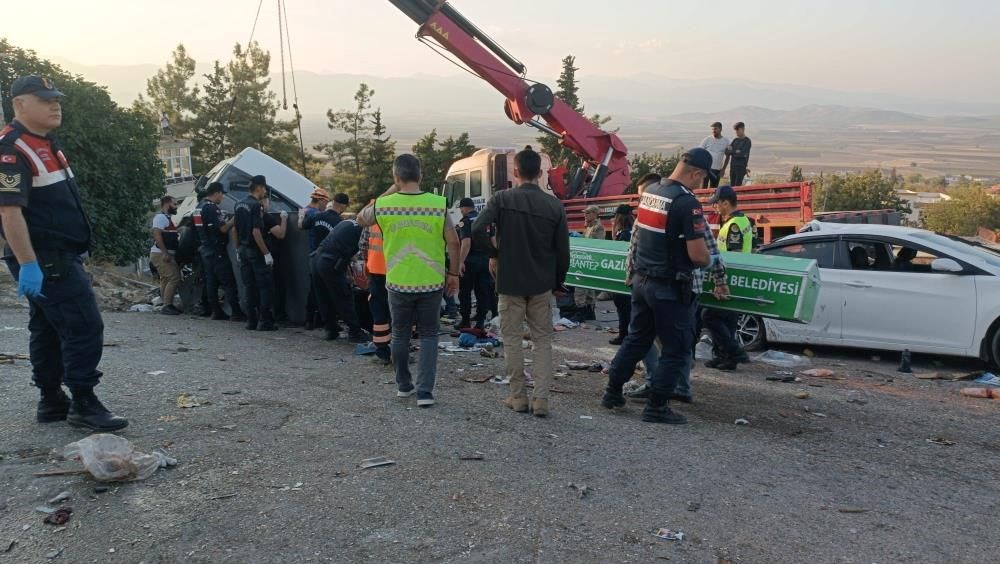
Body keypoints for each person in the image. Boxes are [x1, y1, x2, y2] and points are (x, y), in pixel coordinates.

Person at [0, 75, 128, 431]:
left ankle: (52, 400)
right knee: (84, 325)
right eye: (44, 99)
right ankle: (84, 402)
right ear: (20, 105)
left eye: (56, 98)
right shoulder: (12, 149)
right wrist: (28, 264)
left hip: (54, 255)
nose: (55, 104)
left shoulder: (44, 143)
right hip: (46, 256)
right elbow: (8, 211)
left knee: (47, 327)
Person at [601, 148, 729, 424]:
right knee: (678, 348)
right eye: (702, 179)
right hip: (669, 288)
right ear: (696, 173)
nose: (701, 184)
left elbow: (634, 241)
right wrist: (715, 270)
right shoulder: (686, 203)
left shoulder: (651, 192)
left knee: (636, 340)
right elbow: (698, 254)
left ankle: (612, 393)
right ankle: (657, 407)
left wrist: (630, 273)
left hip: (642, 282)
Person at [473, 147, 570, 418]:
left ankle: (518, 397)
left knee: (512, 340)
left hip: (509, 281)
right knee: (542, 342)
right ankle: (541, 401)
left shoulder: (502, 199)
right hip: (541, 284)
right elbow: (563, 252)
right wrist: (557, 281)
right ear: (540, 173)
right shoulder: (554, 206)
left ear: (516, 172)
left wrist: (495, 253)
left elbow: (477, 229)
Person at [358, 154, 461, 408]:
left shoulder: (384, 206)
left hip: (398, 282)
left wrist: (392, 189)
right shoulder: (438, 204)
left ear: (397, 177)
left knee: (400, 335)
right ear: (421, 176)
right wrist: (454, 274)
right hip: (431, 283)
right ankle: (425, 392)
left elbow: (361, 217)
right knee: (428, 336)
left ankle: (404, 385)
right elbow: (454, 242)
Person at [702, 185, 752, 370]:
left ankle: (734, 351)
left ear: (725, 202)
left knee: (709, 316)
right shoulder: (741, 220)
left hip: (729, 278)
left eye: (717, 203)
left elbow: (733, 254)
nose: (715, 207)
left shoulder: (734, 226)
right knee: (728, 320)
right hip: (732, 277)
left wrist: (720, 281)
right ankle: (724, 356)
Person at [193, 182, 245, 321]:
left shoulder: (199, 207)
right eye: (222, 194)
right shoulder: (211, 208)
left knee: (211, 282)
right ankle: (236, 312)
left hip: (206, 250)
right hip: (217, 250)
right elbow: (222, 229)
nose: (222, 198)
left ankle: (216, 311)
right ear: (216, 193)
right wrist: (233, 220)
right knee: (228, 282)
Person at [312, 218, 368, 343]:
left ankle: (331, 329)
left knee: (324, 297)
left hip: (317, 258)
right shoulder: (364, 229)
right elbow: (363, 250)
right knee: (343, 297)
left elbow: (344, 246)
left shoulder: (346, 222)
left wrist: (351, 265)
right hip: (331, 262)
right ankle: (355, 332)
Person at [234, 175, 276, 331]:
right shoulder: (255, 206)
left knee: (249, 287)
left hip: (243, 251)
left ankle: (251, 321)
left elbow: (235, 229)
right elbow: (256, 232)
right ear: (259, 187)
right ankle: (265, 321)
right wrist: (266, 253)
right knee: (264, 287)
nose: (265, 191)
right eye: (264, 188)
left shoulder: (239, 204)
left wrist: (238, 248)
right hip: (255, 251)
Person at [455, 197, 493, 330]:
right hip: (485, 260)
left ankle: (465, 321)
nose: (460, 211)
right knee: (483, 291)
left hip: (470, 262)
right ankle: (480, 322)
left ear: (464, 208)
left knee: (465, 292)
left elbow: (466, 243)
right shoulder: (485, 220)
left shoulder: (465, 222)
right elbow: (493, 240)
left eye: (460, 209)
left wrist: (460, 262)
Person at [608, 198, 640, 346]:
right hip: (628, 275)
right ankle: (624, 333)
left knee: (623, 306)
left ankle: (624, 334)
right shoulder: (629, 232)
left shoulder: (625, 234)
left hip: (624, 276)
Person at [360, 222, 391, 364]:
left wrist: (368, 262)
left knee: (379, 308)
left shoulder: (373, 214)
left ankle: (382, 349)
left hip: (376, 269)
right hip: (399, 270)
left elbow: (363, 244)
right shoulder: (402, 210)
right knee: (400, 309)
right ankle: (400, 348)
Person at [571, 204, 605, 322]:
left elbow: (599, 244)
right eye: (585, 213)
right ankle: (588, 313)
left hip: (590, 261)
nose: (585, 215)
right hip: (586, 260)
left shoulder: (598, 227)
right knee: (588, 288)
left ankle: (582, 312)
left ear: (595, 214)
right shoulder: (589, 227)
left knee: (581, 287)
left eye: (588, 213)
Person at [149, 195, 182, 315]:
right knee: (174, 277)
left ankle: (165, 303)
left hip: (160, 253)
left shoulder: (167, 218)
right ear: (167, 204)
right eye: (175, 203)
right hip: (160, 254)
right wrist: (165, 253)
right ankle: (167, 305)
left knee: (165, 279)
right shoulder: (161, 218)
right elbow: (157, 235)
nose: (176, 206)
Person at [261, 197, 289, 324]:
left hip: (258, 255)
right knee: (278, 286)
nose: (269, 205)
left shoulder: (251, 216)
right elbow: (281, 234)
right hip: (272, 255)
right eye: (267, 202)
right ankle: (279, 315)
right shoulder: (267, 217)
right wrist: (284, 218)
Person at [699, 122, 730, 189]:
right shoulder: (707, 139)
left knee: (713, 189)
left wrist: (723, 169)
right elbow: (700, 151)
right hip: (706, 168)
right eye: (712, 129)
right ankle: (701, 199)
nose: (713, 131)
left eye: (715, 129)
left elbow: (728, 156)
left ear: (721, 129)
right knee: (703, 188)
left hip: (717, 170)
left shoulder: (726, 141)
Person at [727, 122, 752, 186]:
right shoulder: (735, 140)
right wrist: (736, 151)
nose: (736, 132)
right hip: (733, 167)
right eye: (735, 130)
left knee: (737, 187)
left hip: (741, 167)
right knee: (732, 186)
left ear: (743, 129)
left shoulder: (747, 141)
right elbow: (727, 151)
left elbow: (741, 154)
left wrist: (732, 151)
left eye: (737, 130)